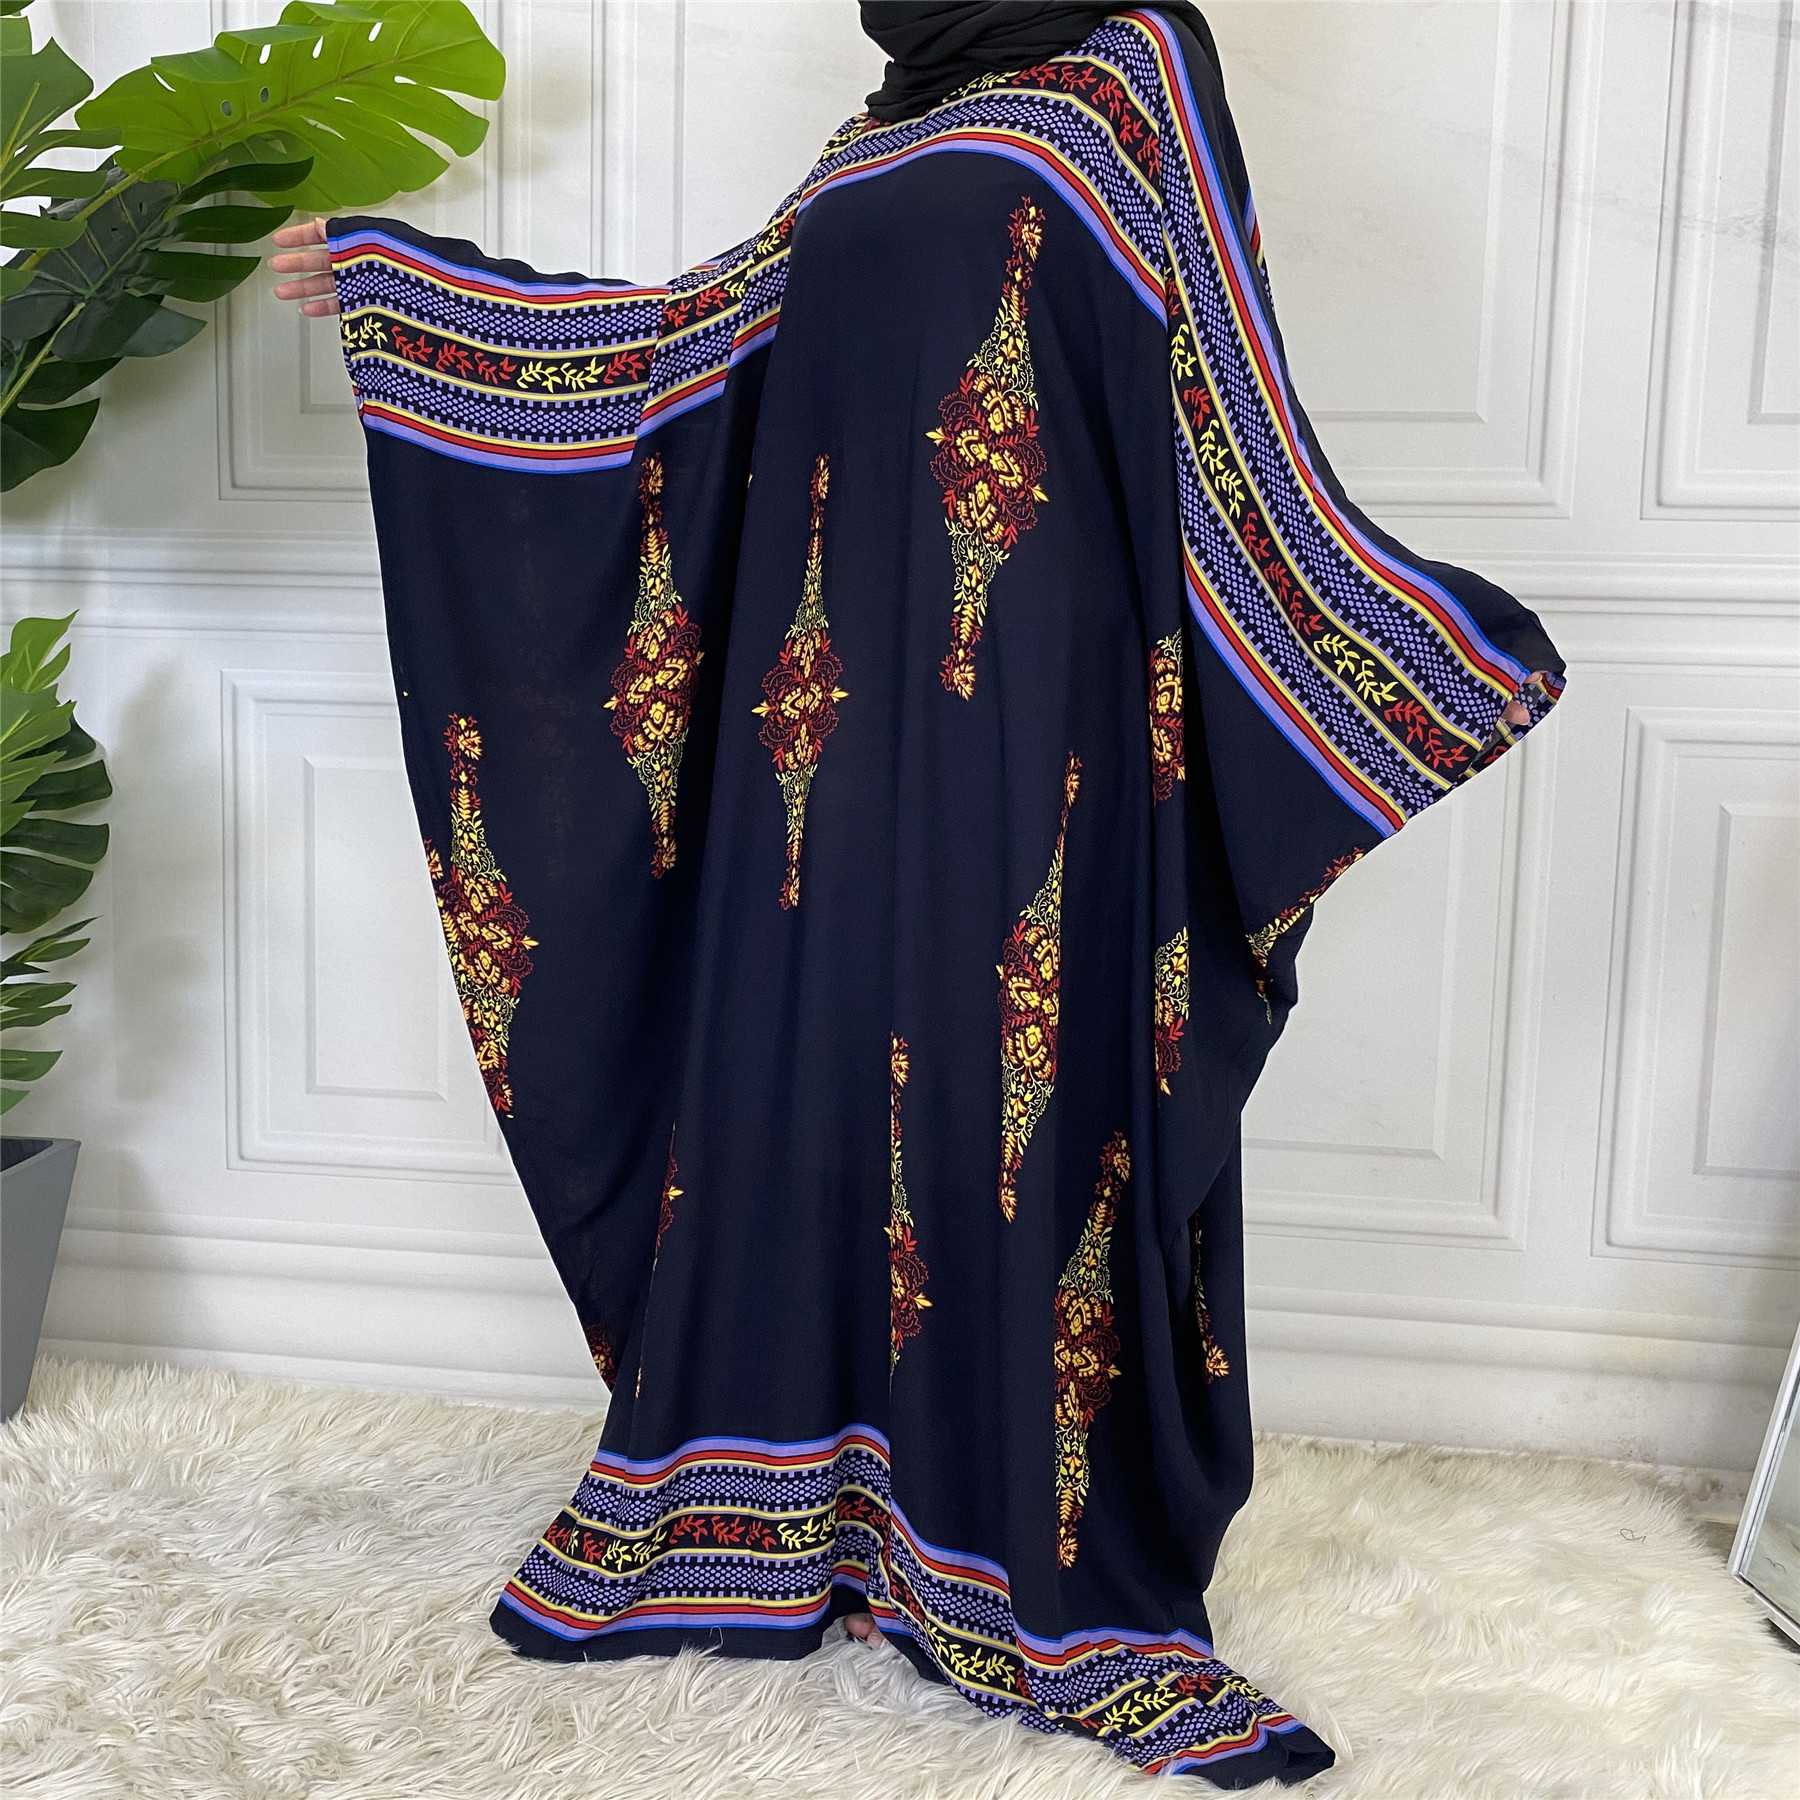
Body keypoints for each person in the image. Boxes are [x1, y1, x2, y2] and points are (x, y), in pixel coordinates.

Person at [271, 3, 1558, 1786]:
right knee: (805, 1089)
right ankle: (809, 1500)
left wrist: (1387, 649)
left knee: (1007, 1095)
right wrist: (422, 294)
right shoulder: (885, 123)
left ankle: (1014, 1542)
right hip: (823, 723)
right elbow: (694, 350)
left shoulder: (1131, 66)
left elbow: (1233, 422)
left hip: (1038, 718)